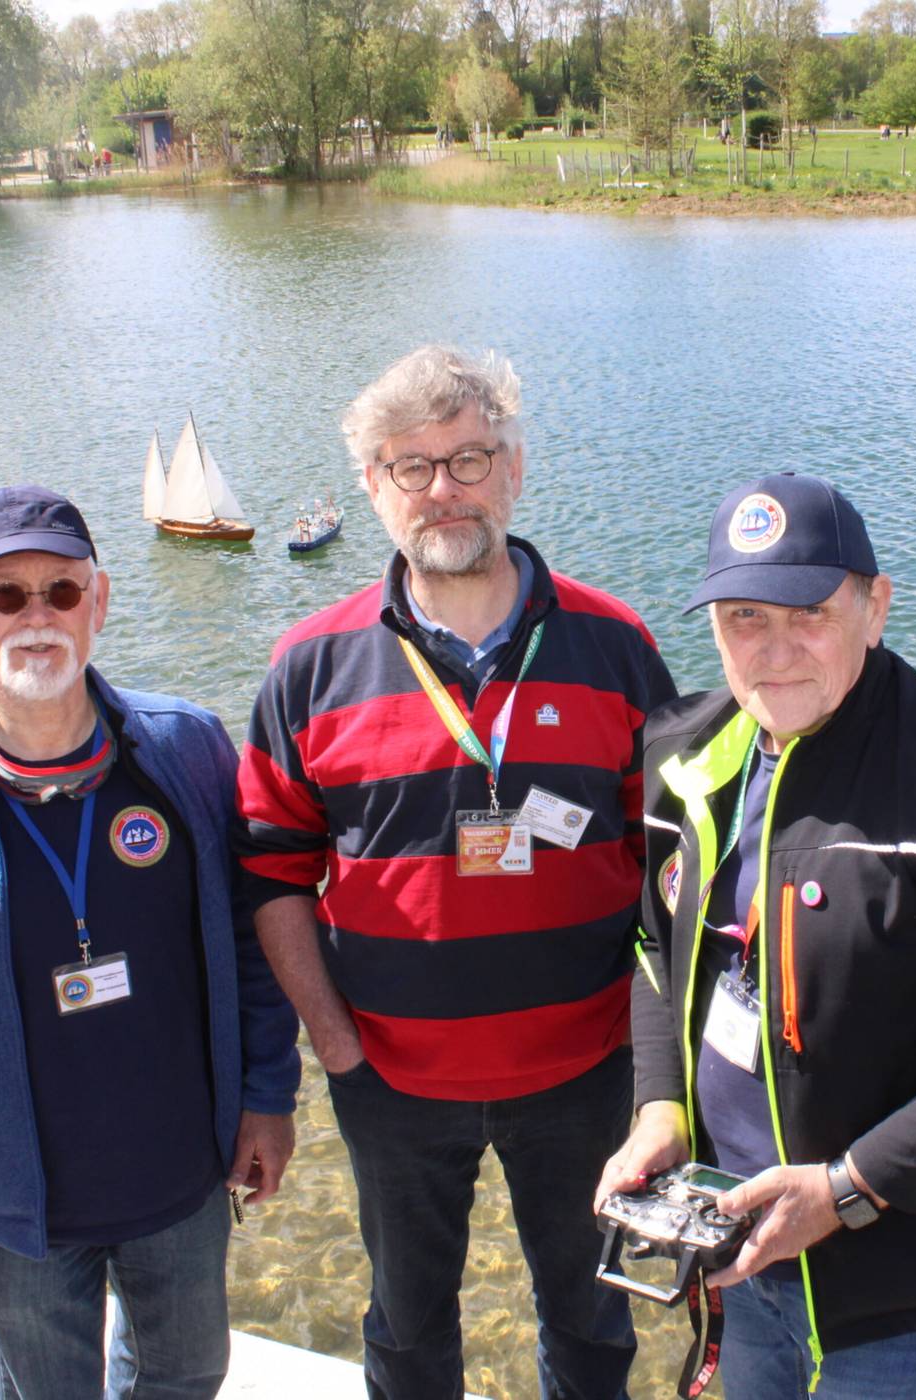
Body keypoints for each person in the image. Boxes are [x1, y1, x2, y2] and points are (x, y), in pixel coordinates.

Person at [596, 473, 916, 1399]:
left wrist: (847, 1189)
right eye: (746, 616)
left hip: (912, 1280)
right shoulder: (686, 756)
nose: (776, 650)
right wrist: (660, 1106)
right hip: (741, 1245)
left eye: (811, 613)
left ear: (876, 610)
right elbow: (652, 952)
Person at [235, 346, 675, 1399]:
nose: (443, 488)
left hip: (583, 1073)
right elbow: (271, 876)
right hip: (392, 1083)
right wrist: (339, 1049)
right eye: (410, 467)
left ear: (515, 468)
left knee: (590, 1314)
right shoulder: (309, 665)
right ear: (373, 490)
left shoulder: (616, 645)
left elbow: (672, 871)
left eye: (468, 457)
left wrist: (658, 1068)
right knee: (408, 1322)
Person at [0, 486, 302, 1398]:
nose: (36, 616)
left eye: (61, 590)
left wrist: (267, 1095)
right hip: (21, 1210)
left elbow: (255, 948)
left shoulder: (189, 752)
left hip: (184, 1180)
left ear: (100, 602)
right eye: (5, 596)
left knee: (187, 1378)